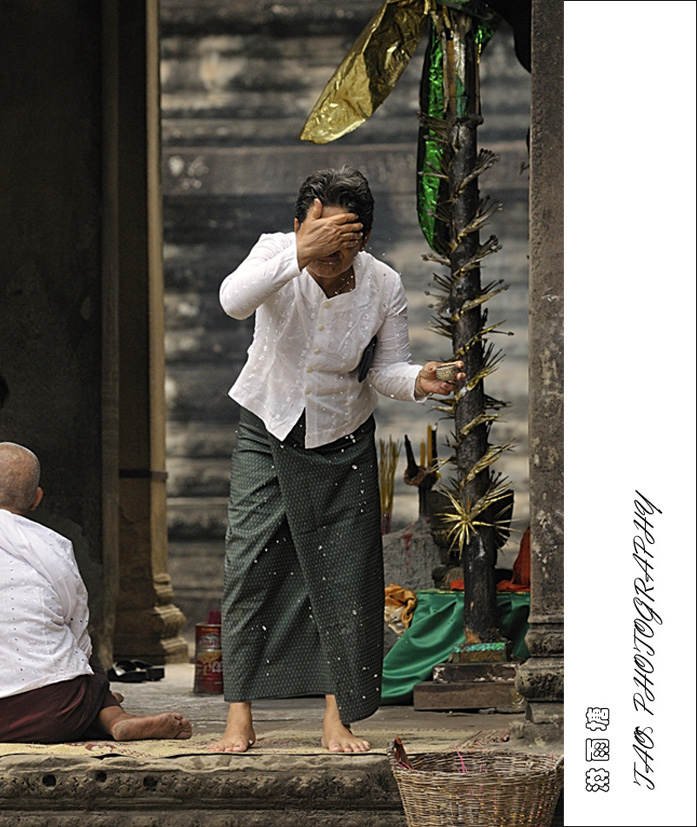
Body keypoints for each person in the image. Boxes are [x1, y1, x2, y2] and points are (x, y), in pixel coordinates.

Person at [210, 166, 464, 754]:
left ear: (363, 240)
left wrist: (421, 380)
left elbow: (384, 370)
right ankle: (238, 716)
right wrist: (301, 251)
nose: (329, 256)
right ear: (298, 224)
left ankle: (336, 717)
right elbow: (231, 301)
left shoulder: (383, 284)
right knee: (249, 564)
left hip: (343, 435)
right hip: (267, 423)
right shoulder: (276, 252)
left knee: (345, 577)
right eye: (316, 234)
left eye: (340, 245)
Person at [0, 442, 193, 743]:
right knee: (83, 657)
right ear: (37, 499)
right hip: (54, 709)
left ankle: (94, 707)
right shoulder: (51, 544)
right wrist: (84, 676)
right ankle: (112, 715)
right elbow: (75, 621)